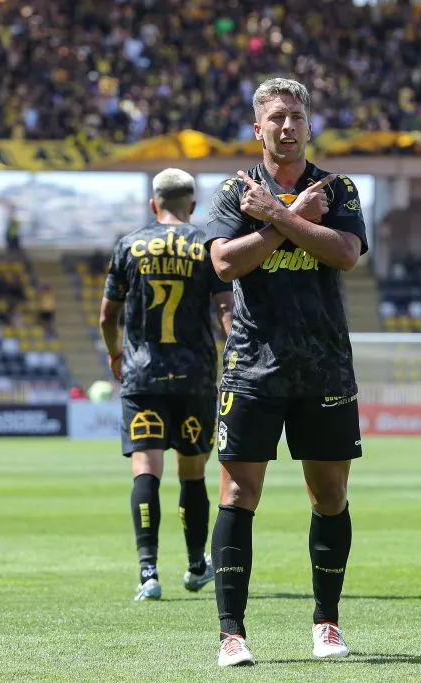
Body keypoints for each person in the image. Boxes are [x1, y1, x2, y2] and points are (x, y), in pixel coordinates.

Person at [204, 77, 368, 667]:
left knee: (329, 496)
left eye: (296, 116)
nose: (288, 126)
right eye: (276, 117)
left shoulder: (338, 187)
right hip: (253, 365)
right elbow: (223, 264)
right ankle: (231, 634)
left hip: (324, 366)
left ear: (308, 123)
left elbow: (345, 253)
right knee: (238, 493)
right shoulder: (233, 191)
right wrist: (284, 218)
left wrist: (278, 215)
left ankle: (326, 623)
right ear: (258, 127)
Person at [99, 167, 235, 603]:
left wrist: (115, 353)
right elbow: (225, 310)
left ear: (153, 204)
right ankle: (197, 567)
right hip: (195, 375)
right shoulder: (204, 244)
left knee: (146, 471)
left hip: (143, 374)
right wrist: (233, 355)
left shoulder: (129, 245)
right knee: (192, 474)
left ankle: (148, 573)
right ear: (192, 205)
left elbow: (107, 315)